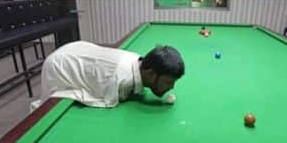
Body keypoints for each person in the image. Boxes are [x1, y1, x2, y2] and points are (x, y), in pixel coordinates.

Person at [32, 41, 184, 109]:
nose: (171, 87)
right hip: (59, 65)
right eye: (168, 82)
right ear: (150, 74)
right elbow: (113, 97)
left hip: (76, 48)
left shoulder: (140, 61)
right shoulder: (123, 83)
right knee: (45, 109)